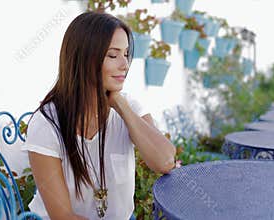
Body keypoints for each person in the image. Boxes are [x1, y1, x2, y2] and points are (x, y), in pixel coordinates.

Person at [21, 11, 176, 220]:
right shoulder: (47, 124)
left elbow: (165, 161)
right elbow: (63, 216)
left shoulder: (129, 107)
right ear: (83, 58)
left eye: (126, 54)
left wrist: (120, 105)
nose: (125, 65)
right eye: (113, 55)